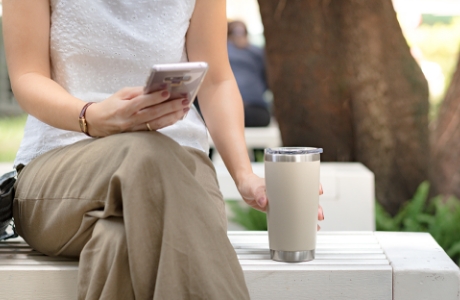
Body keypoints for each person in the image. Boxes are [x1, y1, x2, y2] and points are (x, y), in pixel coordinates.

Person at [3, 0, 324, 299]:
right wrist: (93, 117)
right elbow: (27, 76)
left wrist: (244, 176)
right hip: (60, 173)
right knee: (147, 153)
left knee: (118, 242)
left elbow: (216, 81)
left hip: (184, 169)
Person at [227, 20, 271, 127]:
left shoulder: (256, 52)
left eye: (243, 32)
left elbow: (266, 78)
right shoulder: (223, 51)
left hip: (254, 107)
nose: (239, 36)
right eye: (234, 32)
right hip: (227, 106)